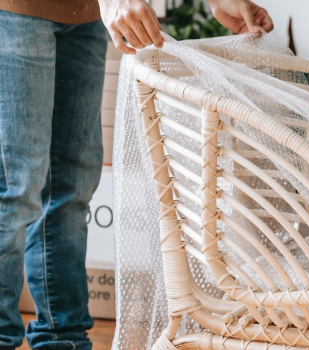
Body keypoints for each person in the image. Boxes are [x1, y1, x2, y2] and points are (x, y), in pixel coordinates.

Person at [0, 0, 272, 348]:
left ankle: (63, 338)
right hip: (16, 12)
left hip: (85, 16)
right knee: (15, 189)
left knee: (72, 187)